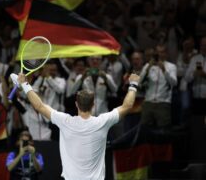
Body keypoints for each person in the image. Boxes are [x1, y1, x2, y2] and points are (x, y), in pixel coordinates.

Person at [10, 72, 140, 180]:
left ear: (76, 104)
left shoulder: (65, 121)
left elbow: (39, 106)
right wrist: (133, 84)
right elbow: (127, 106)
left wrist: (25, 85)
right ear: (93, 105)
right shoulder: (102, 122)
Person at [139, 44, 177, 128]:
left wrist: (164, 70)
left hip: (163, 102)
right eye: (158, 52)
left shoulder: (171, 67)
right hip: (148, 101)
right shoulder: (148, 66)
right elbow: (139, 81)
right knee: (145, 129)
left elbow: (174, 83)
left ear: (166, 53)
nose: (160, 54)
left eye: (162, 52)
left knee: (163, 129)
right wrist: (148, 67)